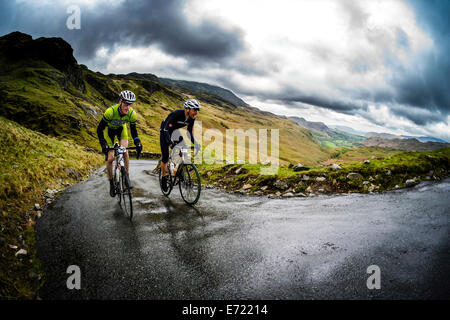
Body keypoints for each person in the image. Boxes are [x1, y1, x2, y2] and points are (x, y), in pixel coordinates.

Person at [97, 90, 143, 197]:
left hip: (121, 130)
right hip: (109, 132)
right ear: (120, 102)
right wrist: (103, 143)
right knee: (110, 159)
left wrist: (137, 142)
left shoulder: (131, 114)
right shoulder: (110, 112)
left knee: (125, 152)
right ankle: (111, 183)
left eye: (130, 104)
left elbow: (133, 131)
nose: (128, 107)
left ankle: (125, 178)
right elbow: (99, 129)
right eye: (126, 104)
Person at [160, 99, 201, 191]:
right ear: (187, 109)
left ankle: (180, 171)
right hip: (165, 131)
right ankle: (163, 178)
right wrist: (170, 143)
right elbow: (166, 130)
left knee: (184, 149)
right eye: (194, 110)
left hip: (175, 132)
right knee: (165, 156)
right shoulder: (176, 114)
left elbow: (188, 133)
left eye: (197, 110)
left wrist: (196, 144)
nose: (196, 113)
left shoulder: (191, 119)